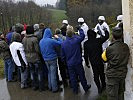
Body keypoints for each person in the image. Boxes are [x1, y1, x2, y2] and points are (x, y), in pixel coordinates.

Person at [102, 27, 130, 100]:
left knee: (112, 96)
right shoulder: (126, 46)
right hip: (122, 75)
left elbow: (104, 59)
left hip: (112, 76)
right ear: (122, 36)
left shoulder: (109, 48)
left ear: (113, 36)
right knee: (120, 94)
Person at [61, 27, 91, 94]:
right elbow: (82, 36)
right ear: (73, 34)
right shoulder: (76, 40)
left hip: (70, 63)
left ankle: (75, 90)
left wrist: (65, 62)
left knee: (72, 77)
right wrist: (80, 29)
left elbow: (62, 56)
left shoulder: (63, 44)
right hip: (77, 62)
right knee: (81, 75)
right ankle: (85, 87)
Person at [84, 28, 109, 94]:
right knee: (101, 73)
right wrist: (105, 30)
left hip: (93, 62)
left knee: (96, 74)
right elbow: (107, 36)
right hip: (100, 60)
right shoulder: (98, 40)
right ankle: (103, 85)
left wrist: (87, 63)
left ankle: (99, 87)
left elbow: (85, 55)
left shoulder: (86, 44)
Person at [39, 28, 63, 93]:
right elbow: (61, 43)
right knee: (53, 74)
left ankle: (50, 86)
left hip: (45, 59)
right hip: (52, 59)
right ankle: (55, 88)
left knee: (49, 73)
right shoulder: (51, 41)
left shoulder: (41, 41)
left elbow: (41, 51)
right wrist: (58, 38)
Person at [22, 25, 44, 91]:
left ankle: (35, 86)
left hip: (28, 58)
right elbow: (37, 50)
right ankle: (41, 87)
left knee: (32, 72)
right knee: (39, 72)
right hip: (35, 58)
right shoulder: (34, 39)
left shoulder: (24, 39)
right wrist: (41, 55)